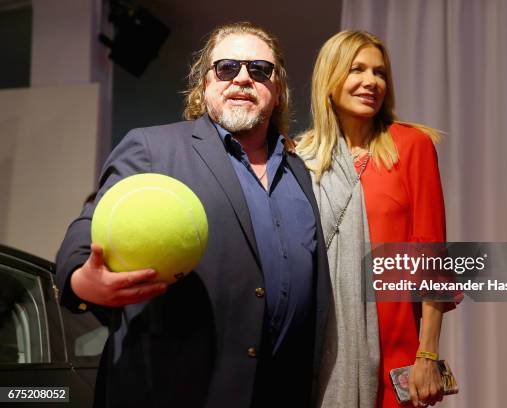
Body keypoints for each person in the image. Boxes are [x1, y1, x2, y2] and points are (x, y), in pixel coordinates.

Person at [56, 22, 331, 408]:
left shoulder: (299, 171)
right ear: (204, 85)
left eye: (260, 70)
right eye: (226, 68)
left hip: (279, 392)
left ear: (278, 88)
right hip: (177, 391)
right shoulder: (154, 148)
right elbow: (90, 224)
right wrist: (82, 279)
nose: (242, 79)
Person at [296, 31, 461, 408]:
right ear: (329, 78)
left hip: (396, 346)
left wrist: (427, 354)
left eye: (380, 73)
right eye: (357, 69)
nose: (371, 81)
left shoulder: (410, 146)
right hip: (320, 348)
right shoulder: (300, 158)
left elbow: (432, 255)